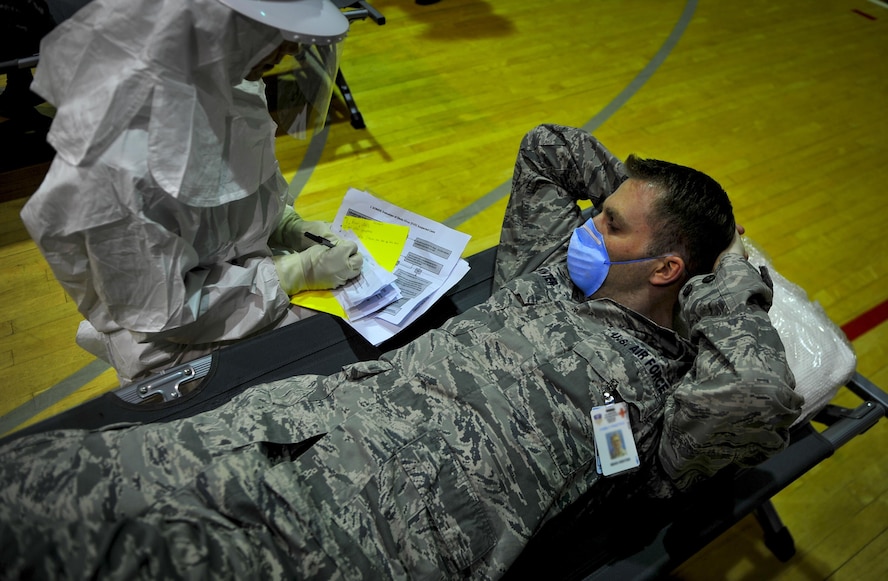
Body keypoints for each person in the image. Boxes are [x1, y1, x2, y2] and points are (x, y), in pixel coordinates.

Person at [0, 124, 803, 579]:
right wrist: (628, 187)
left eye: (613, 226)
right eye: (600, 212)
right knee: (37, 486)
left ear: (668, 269)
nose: (590, 228)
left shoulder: (668, 393)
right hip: (283, 433)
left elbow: (763, 397)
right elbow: (548, 148)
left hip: (358, 541)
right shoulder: (547, 274)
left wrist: (724, 277)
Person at [18, 0, 363, 384]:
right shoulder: (117, 161)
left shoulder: (229, 82)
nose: (294, 50)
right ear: (218, 26)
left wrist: (285, 222)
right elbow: (164, 313)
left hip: (243, 286)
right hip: (175, 345)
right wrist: (297, 272)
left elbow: (237, 187)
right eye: (277, 36)